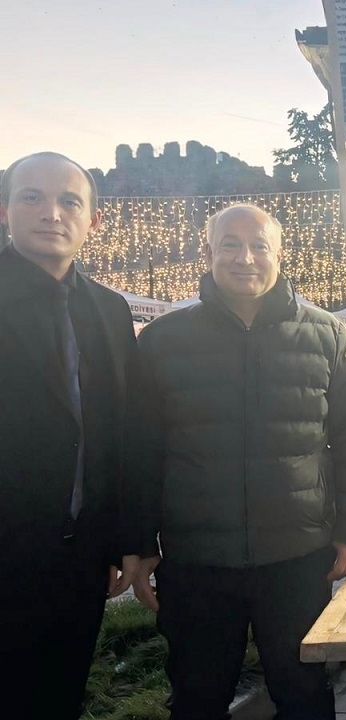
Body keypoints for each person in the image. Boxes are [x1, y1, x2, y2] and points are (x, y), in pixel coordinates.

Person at [128, 203, 346, 719]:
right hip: (196, 561)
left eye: (259, 246)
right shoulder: (162, 342)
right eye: (230, 244)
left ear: (279, 255)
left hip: (298, 559)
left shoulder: (328, 337)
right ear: (208, 253)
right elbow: (138, 449)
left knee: (304, 692)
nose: (245, 258)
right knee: (197, 697)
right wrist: (138, 543)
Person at [0, 152, 142, 719]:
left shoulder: (109, 310)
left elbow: (124, 431)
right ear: (5, 210)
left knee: (60, 697)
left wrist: (129, 539)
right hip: (7, 551)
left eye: (69, 201)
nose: (51, 213)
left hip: (80, 559)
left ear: (92, 221)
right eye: (32, 197)